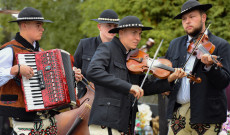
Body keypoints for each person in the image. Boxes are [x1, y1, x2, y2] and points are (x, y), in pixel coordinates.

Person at [86, 16, 186, 135]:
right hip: (106, 122)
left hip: (125, 124)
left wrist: (169, 79)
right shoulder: (107, 48)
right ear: (121, 32)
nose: (138, 38)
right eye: (134, 33)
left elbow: (146, 87)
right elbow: (93, 71)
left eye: (139, 34)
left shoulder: (134, 58)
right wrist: (128, 87)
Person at [0, 7, 78, 135]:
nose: (42, 29)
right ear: (24, 25)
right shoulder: (9, 50)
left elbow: (53, 83)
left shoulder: (41, 52)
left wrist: (72, 75)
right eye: (38, 25)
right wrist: (15, 69)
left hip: (48, 121)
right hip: (23, 122)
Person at [165, 0, 230, 135]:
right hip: (179, 112)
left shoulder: (220, 45)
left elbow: (224, 81)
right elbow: (165, 75)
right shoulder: (175, 44)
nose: (187, 21)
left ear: (203, 17)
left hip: (207, 114)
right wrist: (168, 83)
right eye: (184, 19)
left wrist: (210, 66)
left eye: (192, 17)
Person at [73, 9, 119, 99]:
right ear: (99, 27)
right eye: (109, 26)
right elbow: (74, 66)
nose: (113, 29)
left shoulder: (123, 48)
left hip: (112, 101)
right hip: (86, 100)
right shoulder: (85, 44)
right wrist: (74, 73)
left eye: (115, 26)